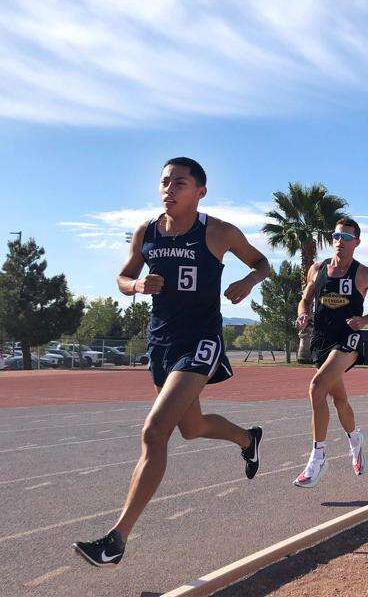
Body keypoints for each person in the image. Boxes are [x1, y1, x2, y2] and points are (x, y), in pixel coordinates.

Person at [73, 157, 270, 567]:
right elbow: (122, 278)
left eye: (179, 182)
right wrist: (137, 285)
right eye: (164, 182)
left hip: (200, 341)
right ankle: (248, 440)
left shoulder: (218, 232)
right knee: (191, 428)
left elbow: (261, 263)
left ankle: (116, 540)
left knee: (154, 432)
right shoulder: (146, 232)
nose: (169, 188)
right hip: (160, 343)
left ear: (200, 191)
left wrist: (246, 282)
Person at [293, 218, 368, 488]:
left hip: (348, 339)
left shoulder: (365, 274)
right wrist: (303, 313)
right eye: (336, 236)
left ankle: (318, 456)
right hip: (321, 340)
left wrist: (367, 320)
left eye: (347, 237)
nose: (340, 241)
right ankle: (355, 438)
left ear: (356, 242)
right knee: (339, 400)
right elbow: (306, 297)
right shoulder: (317, 268)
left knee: (316, 387)